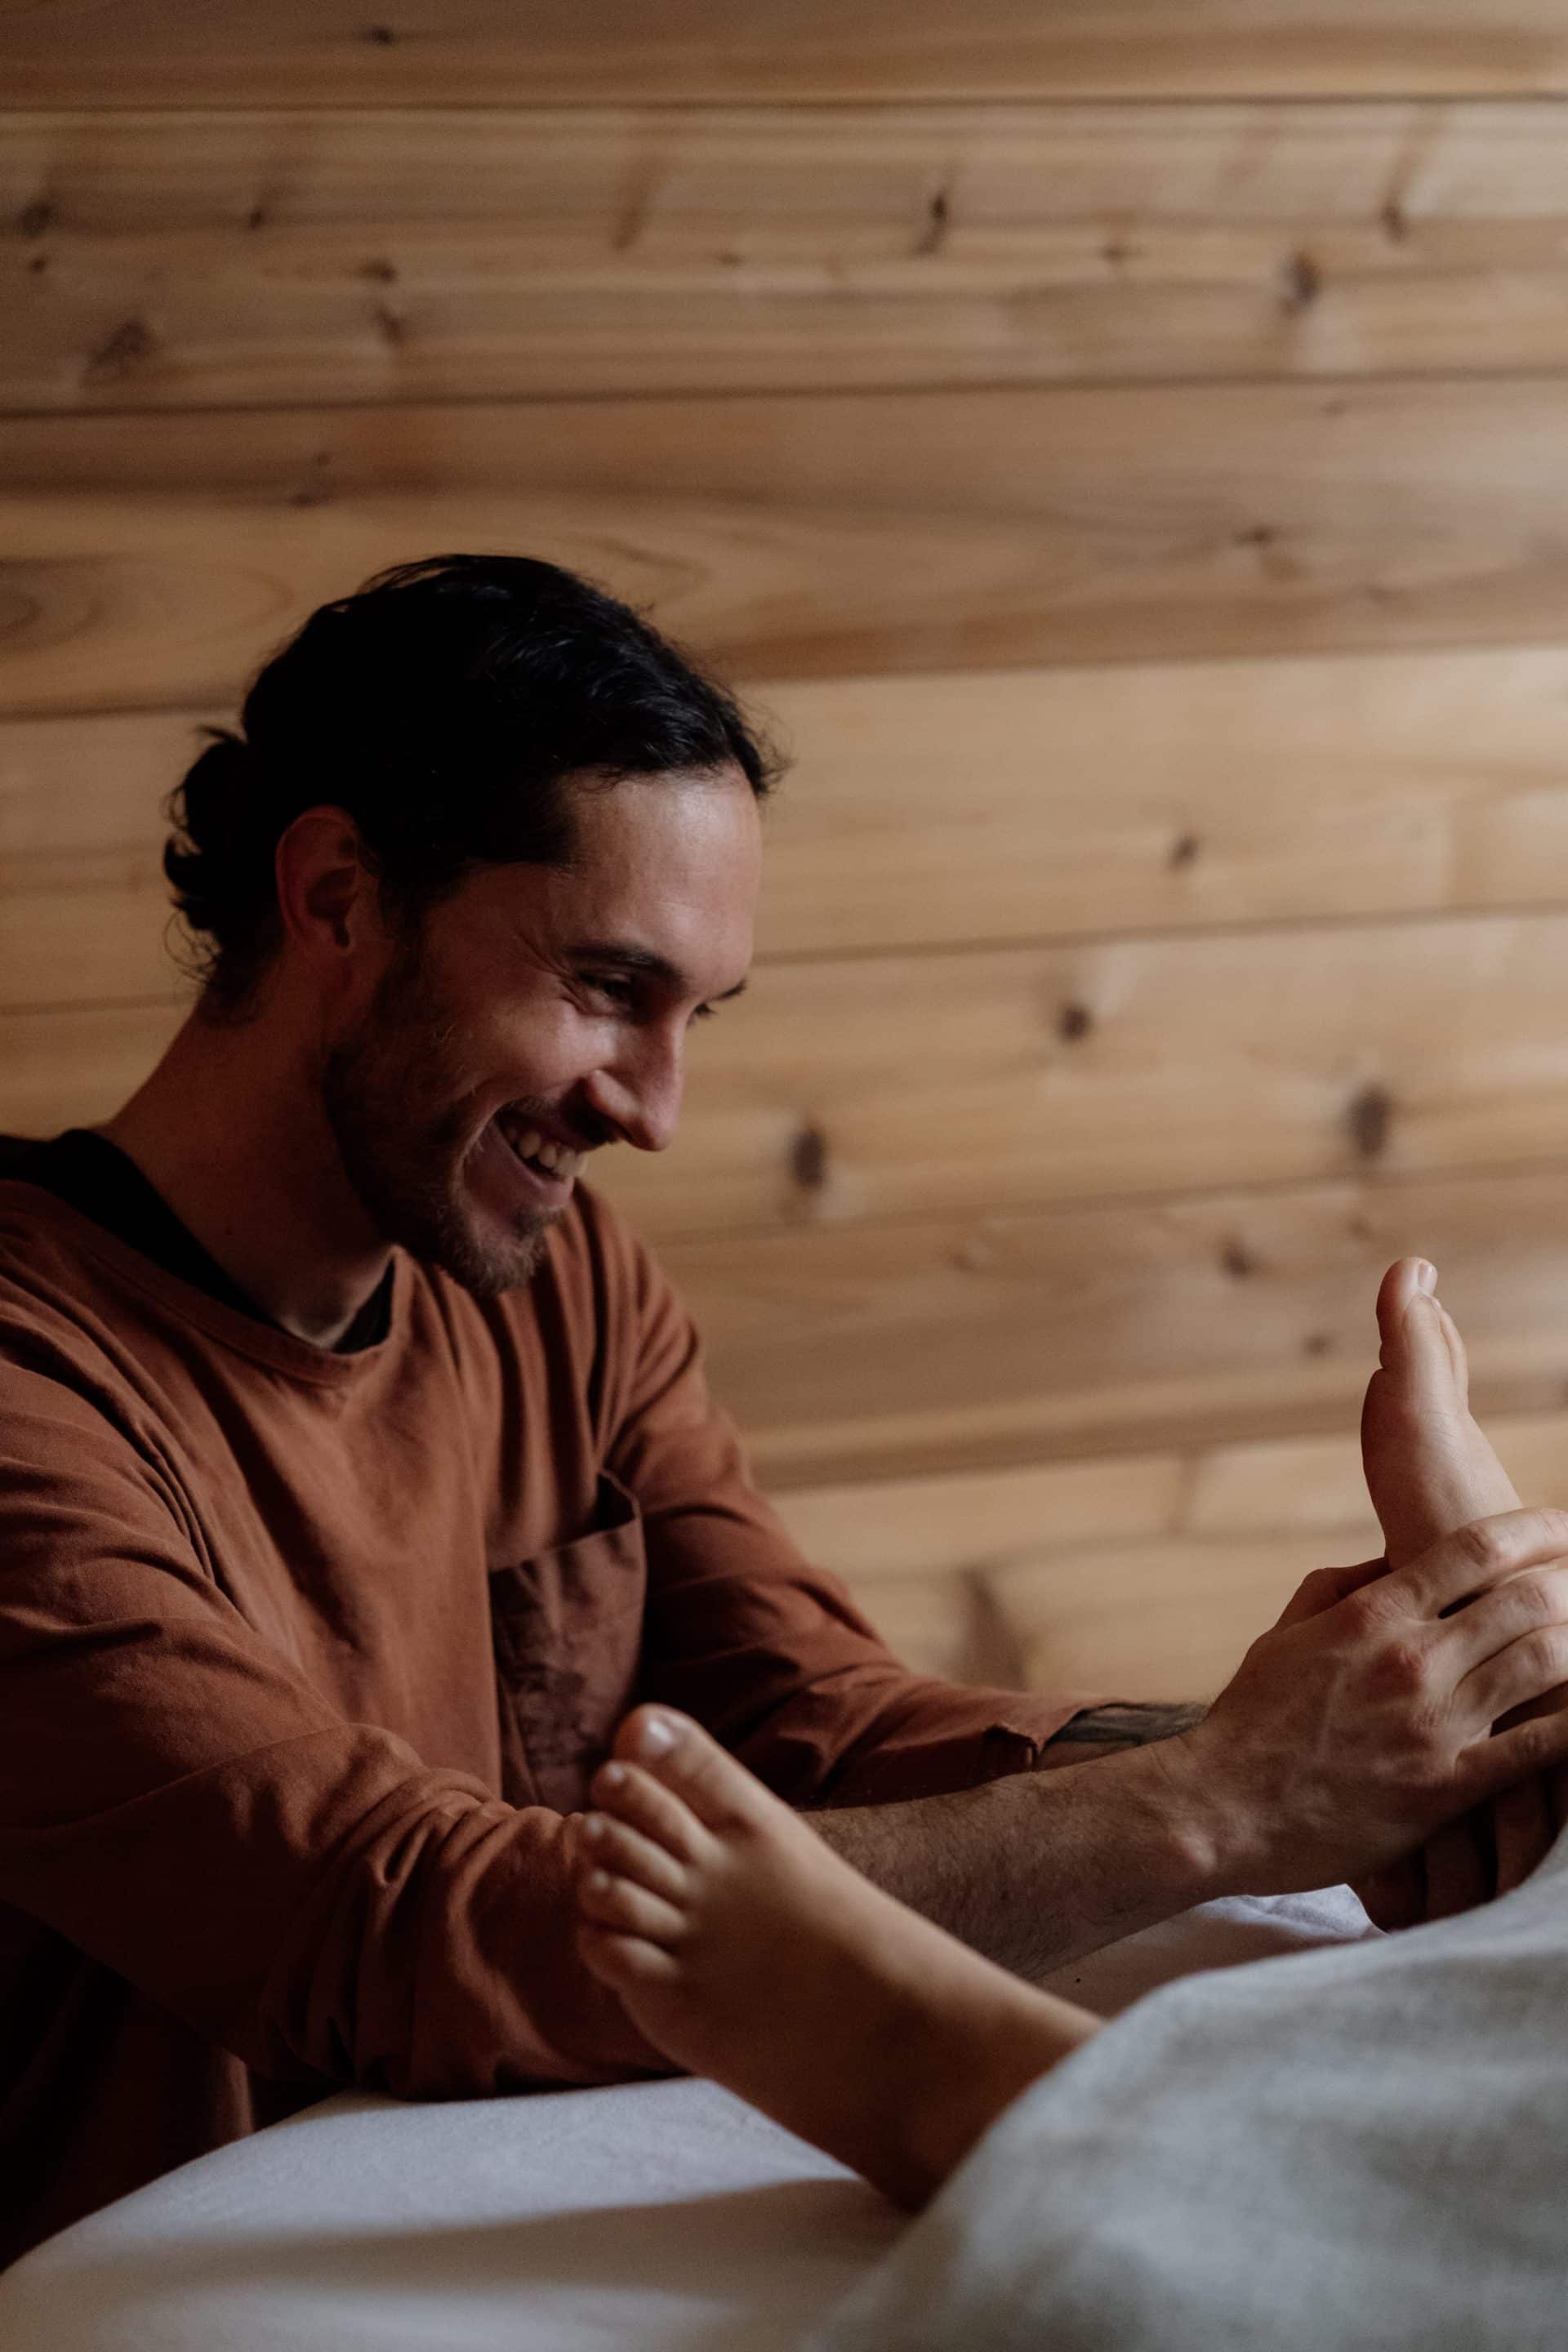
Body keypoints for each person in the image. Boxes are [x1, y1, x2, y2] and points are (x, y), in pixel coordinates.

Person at [4, 555, 1566, 2268]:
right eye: (607, 990)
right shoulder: (34, 1380)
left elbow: (813, 1725)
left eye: (697, 1018)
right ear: (336, 897)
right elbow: (386, 1929)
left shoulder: (559, 1282)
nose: (658, 1113)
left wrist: (1364, 1740)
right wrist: (1222, 1804)